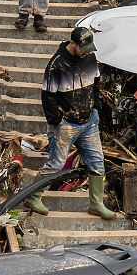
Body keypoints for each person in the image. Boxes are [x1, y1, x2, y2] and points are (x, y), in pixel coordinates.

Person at [30, 28, 120, 219]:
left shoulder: (90, 58)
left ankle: (96, 204)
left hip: (89, 122)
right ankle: (32, 196)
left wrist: (96, 108)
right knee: (55, 164)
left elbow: (96, 84)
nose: (87, 51)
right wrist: (57, 121)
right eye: (83, 48)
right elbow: (47, 96)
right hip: (66, 125)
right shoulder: (56, 65)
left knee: (97, 162)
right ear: (73, 44)